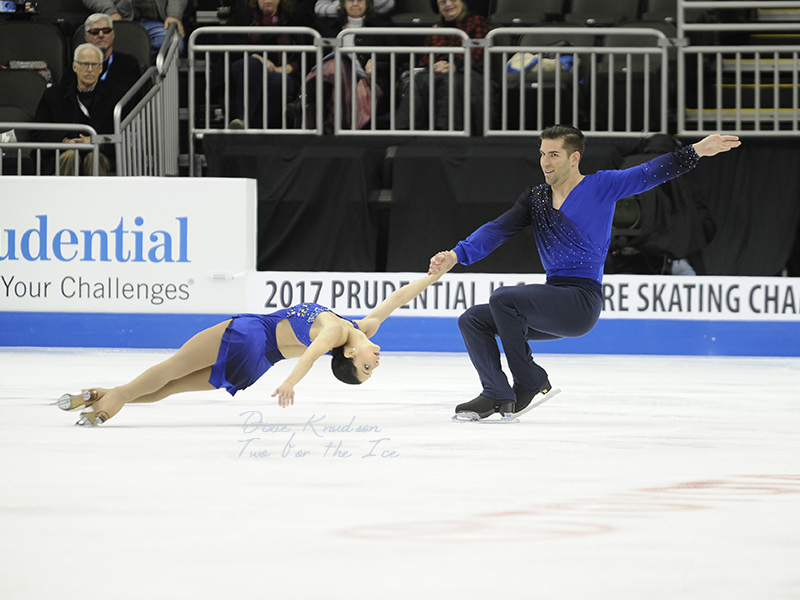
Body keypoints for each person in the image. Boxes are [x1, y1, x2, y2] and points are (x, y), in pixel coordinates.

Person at [428, 125, 741, 421]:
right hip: (552, 299)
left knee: (504, 298)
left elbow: (648, 174)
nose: (545, 162)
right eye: (542, 154)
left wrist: (696, 150)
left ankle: (528, 381)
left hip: (580, 302)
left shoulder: (600, 186)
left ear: (574, 157)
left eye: (553, 155)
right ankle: (496, 391)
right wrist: (457, 254)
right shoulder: (536, 199)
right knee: (473, 319)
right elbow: (498, 229)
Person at [58, 271, 444, 426]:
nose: (375, 364)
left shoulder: (339, 334)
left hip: (253, 335)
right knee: (173, 385)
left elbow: (310, 355)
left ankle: (115, 398)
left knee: (174, 367)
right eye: (371, 369)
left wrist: (292, 382)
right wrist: (434, 275)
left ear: (348, 356)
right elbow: (398, 298)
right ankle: (98, 398)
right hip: (259, 361)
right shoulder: (362, 326)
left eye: (366, 369)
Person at [289, 0, 390, 132]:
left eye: (359, 1)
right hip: (332, 78)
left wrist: (375, 60)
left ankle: (304, 99)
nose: (355, 4)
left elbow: (400, 55)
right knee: (336, 63)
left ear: (367, 4)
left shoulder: (381, 27)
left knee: (338, 62)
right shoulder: (328, 27)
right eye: (350, 1)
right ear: (342, 5)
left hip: (363, 79)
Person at [32, 43, 127, 175]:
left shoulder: (117, 95)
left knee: (93, 157)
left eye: (94, 65)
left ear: (100, 68)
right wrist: (65, 142)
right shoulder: (53, 95)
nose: (89, 69)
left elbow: (126, 135)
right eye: (84, 64)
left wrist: (97, 141)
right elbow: (39, 132)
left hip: (102, 156)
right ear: (74, 66)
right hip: (62, 155)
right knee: (70, 155)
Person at [394, 0, 488, 132]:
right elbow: (424, 59)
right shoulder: (436, 28)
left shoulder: (477, 21)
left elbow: (478, 53)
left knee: (449, 81)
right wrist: (434, 65)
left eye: (453, 0)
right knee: (419, 79)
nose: (448, 5)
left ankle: (446, 130)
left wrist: (455, 66)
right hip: (437, 70)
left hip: (469, 71)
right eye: (443, 2)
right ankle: (404, 129)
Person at [226, 0, 301, 129]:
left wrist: (281, 69)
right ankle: (243, 120)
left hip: (279, 72)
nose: (268, 0)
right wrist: (255, 56)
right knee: (253, 64)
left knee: (279, 81)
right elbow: (225, 38)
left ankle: (253, 128)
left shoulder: (292, 18)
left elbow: (303, 55)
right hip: (244, 63)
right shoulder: (243, 13)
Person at [80, 0, 186, 59]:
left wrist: (174, 15)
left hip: (157, 23)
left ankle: (146, 79)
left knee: (173, 44)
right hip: (120, 21)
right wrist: (110, 11)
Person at [82, 13, 143, 93]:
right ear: (86, 37)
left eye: (106, 31)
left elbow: (127, 98)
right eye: (95, 32)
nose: (101, 35)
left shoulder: (128, 64)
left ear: (113, 34)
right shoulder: (78, 64)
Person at [314, 0, 393, 18]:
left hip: (369, 24)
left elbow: (388, 4)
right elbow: (318, 7)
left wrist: (365, 3)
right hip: (340, 24)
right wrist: (342, 6)